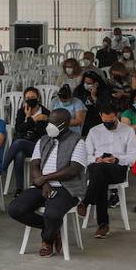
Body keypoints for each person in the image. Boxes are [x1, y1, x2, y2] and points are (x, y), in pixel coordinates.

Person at [7, 109, 87, 256]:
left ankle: (47, 240)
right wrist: (43, 183)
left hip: (67, 187)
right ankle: (52, 229)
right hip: (41, 186)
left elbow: (73, 170)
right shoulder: (43, 140)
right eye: (49, 121)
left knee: (53, 214)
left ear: (65, 125)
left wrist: (45, 178)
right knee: (15, 209)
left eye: (54, 123)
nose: (50, 125)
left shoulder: (78, 141)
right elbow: (34, 165)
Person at [73, 104, 136, 238]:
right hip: (97, 166)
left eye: (111, 121)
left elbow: (133, 158)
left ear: (117, 116)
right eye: (106, 121)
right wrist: (97, 159)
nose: (109, 123)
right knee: (99, 174)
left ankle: (86, 203)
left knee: (99, 174)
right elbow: (86, 155)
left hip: (117, 168)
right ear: (101, 117)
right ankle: (103, 225)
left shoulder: (128, 131)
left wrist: (116, 159)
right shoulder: (94, 131)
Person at [3, 87, 49, 193]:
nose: (30, 99)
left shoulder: (45, 113)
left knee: (18, 143)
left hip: (38, 146)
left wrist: (29, 122)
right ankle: (19, 189)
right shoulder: (22, 111)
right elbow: (19, 129)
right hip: (23, 144)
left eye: (33, 97)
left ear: (38, 97)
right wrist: (31, 118)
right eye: (28, 97)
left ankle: (2, 167)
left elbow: (41, 133)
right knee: (19, 154)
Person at [74, 70, 112, 137]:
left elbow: (105, 108)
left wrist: (94, 97)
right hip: (84, 118)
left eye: (89, 83)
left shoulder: (104, 91)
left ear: (96, 84)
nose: (87, 85)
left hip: (97, 119)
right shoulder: (79, 91)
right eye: (85, 83)